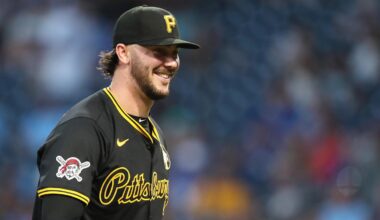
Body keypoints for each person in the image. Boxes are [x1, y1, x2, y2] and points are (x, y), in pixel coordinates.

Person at [32, 5, 199, 220]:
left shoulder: (155, 133)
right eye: (158, 52)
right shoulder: (85, 128)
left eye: (174, 54)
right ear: (123, 52)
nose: (170, 63)